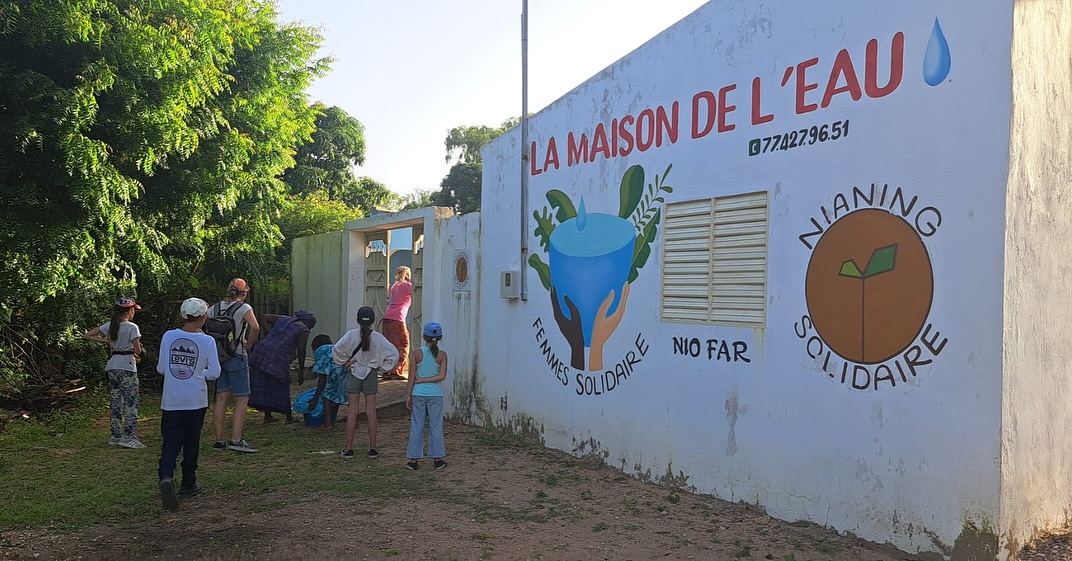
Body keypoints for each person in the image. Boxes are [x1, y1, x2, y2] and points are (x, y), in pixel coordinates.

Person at [156, 298, 222, 510]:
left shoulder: (169, 336)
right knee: (191, 441)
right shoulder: (207, 341)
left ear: (183, 316)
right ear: (203, 317)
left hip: (172, 400)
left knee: (170, 441)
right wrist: (197, 373)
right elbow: (214, 373)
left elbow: (162, 368)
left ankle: (166, 477)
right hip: (195, 400)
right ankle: (189, 482)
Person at [334, 306, 398, 459]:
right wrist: (381, 367)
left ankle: (348, 448)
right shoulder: (378, 338)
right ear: (373, 321)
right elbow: (394, 354)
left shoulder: (350, 335)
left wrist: (345, 362)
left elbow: (336, 349)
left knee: (352, 411)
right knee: (371, 411)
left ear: (357, 320)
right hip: (370, 373)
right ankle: (372, 448)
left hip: (354, 372)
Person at [84, 297, 145, 449]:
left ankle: (115, 434)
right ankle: (129, 436)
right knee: (131, 402)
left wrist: (107, 342)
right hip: (127, 365)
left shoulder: (110, 325)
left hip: (112, 364)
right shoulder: (132, 327)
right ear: (130, 311)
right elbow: (137, 350)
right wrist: (136, 349)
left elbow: (88, 335)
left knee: (116, 401)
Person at [209, 278, 260, 453]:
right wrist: (248, 344)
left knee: (221, 397)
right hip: (236, 355)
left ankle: (219, 439)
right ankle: (236, 439)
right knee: (242, 398)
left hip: (218, 357)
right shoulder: (244, 308)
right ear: (244, 292)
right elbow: (255, 327)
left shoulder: (214, 308)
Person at [248, 310, 316, 424]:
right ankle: (288, 417)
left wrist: (268, 334)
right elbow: (301, 351)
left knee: (264, 383)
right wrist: (300, 372)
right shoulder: (303, 329)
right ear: (308, 322)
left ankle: (268, 416)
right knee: (282, 383)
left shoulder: (285, 319)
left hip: (262, 351)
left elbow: (263, 316)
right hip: (278, 356)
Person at [405, 322, 448, 471]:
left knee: (417, 425)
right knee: (436, 426)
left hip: (418, 393)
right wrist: (428, 380)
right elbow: (442, 376)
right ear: (440, 338)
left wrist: (408, 394)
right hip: (436, 394)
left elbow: (411, 376)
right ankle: (437, 459)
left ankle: (413, 459)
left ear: (424, 337)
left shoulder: (417, 353)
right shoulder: (442, 355)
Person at [299, 334, 349, 430]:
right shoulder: (335, 347)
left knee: (327, 396)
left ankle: (328, 423)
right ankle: (353, 422)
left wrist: (315, 398)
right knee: (349, 397)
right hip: (347, 372)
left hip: (334, 374)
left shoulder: (320, 351)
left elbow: (322, 377)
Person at [381, 266, 412, 381]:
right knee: (404, 344)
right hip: (398, 318)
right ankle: (396, 370)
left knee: (389, 345)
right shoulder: (408, 286)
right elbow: (418, 293)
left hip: (387, 316)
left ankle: (386, 369)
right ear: (408, 274)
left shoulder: (393, 286)